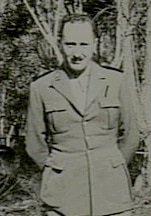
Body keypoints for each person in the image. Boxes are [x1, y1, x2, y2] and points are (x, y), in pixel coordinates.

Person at [26, 14, 139, 216]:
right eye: (70, 44)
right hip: (62, 195)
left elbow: (130, 136)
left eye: (84, 44)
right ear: (60, 44)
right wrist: (57, 170)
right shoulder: (42, 87)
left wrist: (111, 164)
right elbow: (35, 144)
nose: (77, 53)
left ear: (95, 45)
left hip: (112, 192)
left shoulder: (115, 82)